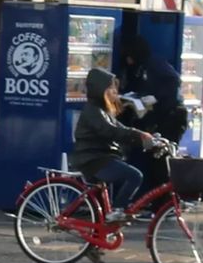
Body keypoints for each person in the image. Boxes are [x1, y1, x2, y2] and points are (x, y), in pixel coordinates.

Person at [72, 64, 170, 221]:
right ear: (100, 90)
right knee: (134, 176)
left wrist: (147, 138)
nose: (115, 92)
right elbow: (111, 131)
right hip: (93, 159)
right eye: (111, 88)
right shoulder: (93, 111)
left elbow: (121, 129)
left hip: (101, 156)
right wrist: (139, 135)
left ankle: (99, 237)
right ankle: (117, 210)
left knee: (102, 206)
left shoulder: (103, 110)